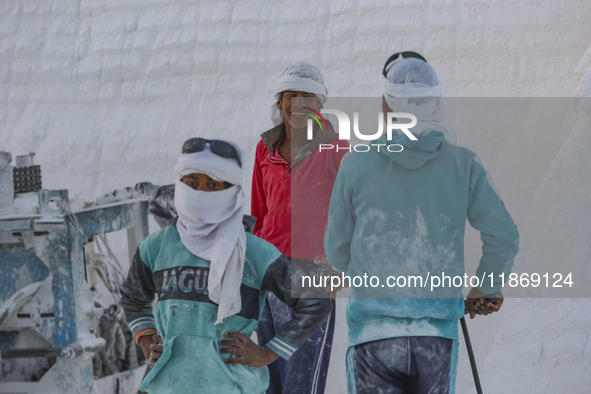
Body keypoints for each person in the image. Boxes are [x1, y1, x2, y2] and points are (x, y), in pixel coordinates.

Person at [324, 53, 520, 394]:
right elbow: (504, 236)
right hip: (436, 333)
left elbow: (337, 252)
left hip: (373, 333)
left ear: (387, 104)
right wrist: (485, 288)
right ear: (435, 104)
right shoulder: (464, 165)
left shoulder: (355, 164)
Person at [120, 138, 332, 394]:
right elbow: (133, 297)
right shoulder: (156, 247)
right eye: (192, 183)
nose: (200, 193)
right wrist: (145, 339)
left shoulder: (253, 252)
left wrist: (267, 353)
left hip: (232, 387)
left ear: (231, 189)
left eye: (213, 185)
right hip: (167, 386)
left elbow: (315, 297)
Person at [251, 62, 349, 394]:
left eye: (307, 96)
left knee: (301, 384)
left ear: (320, 105)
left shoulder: (338, 150)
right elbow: (258, 214)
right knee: (269, 381)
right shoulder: (264, 149)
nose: (298, 104)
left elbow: (359, 214)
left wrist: (339, 268)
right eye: (290, 95)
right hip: (269, 278)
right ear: (279, 103)